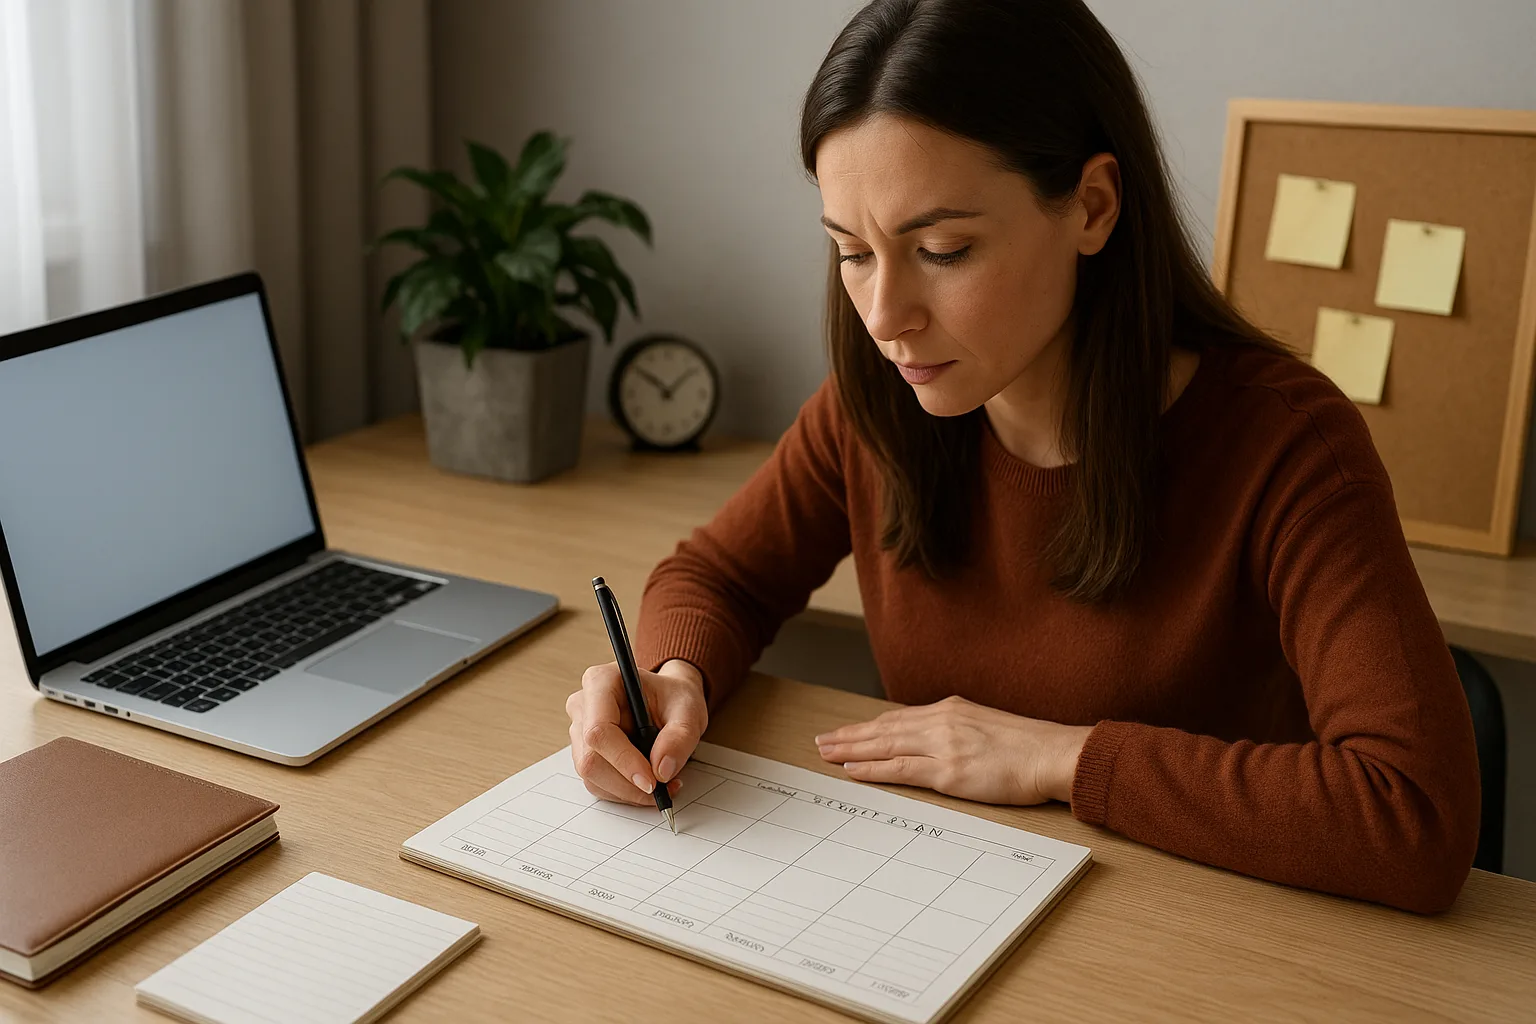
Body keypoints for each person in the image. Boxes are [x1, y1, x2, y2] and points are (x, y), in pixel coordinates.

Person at [564, 0, 1480, 913]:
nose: (884, 317)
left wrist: (1060, 755)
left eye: (942, 249)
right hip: (944, 910)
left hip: (1206, 943)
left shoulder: (1285, 445)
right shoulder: (881, 400)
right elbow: (720, 576)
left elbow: (1414, 818)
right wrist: (671, 680)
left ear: (1091, 207)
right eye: (851, 252)